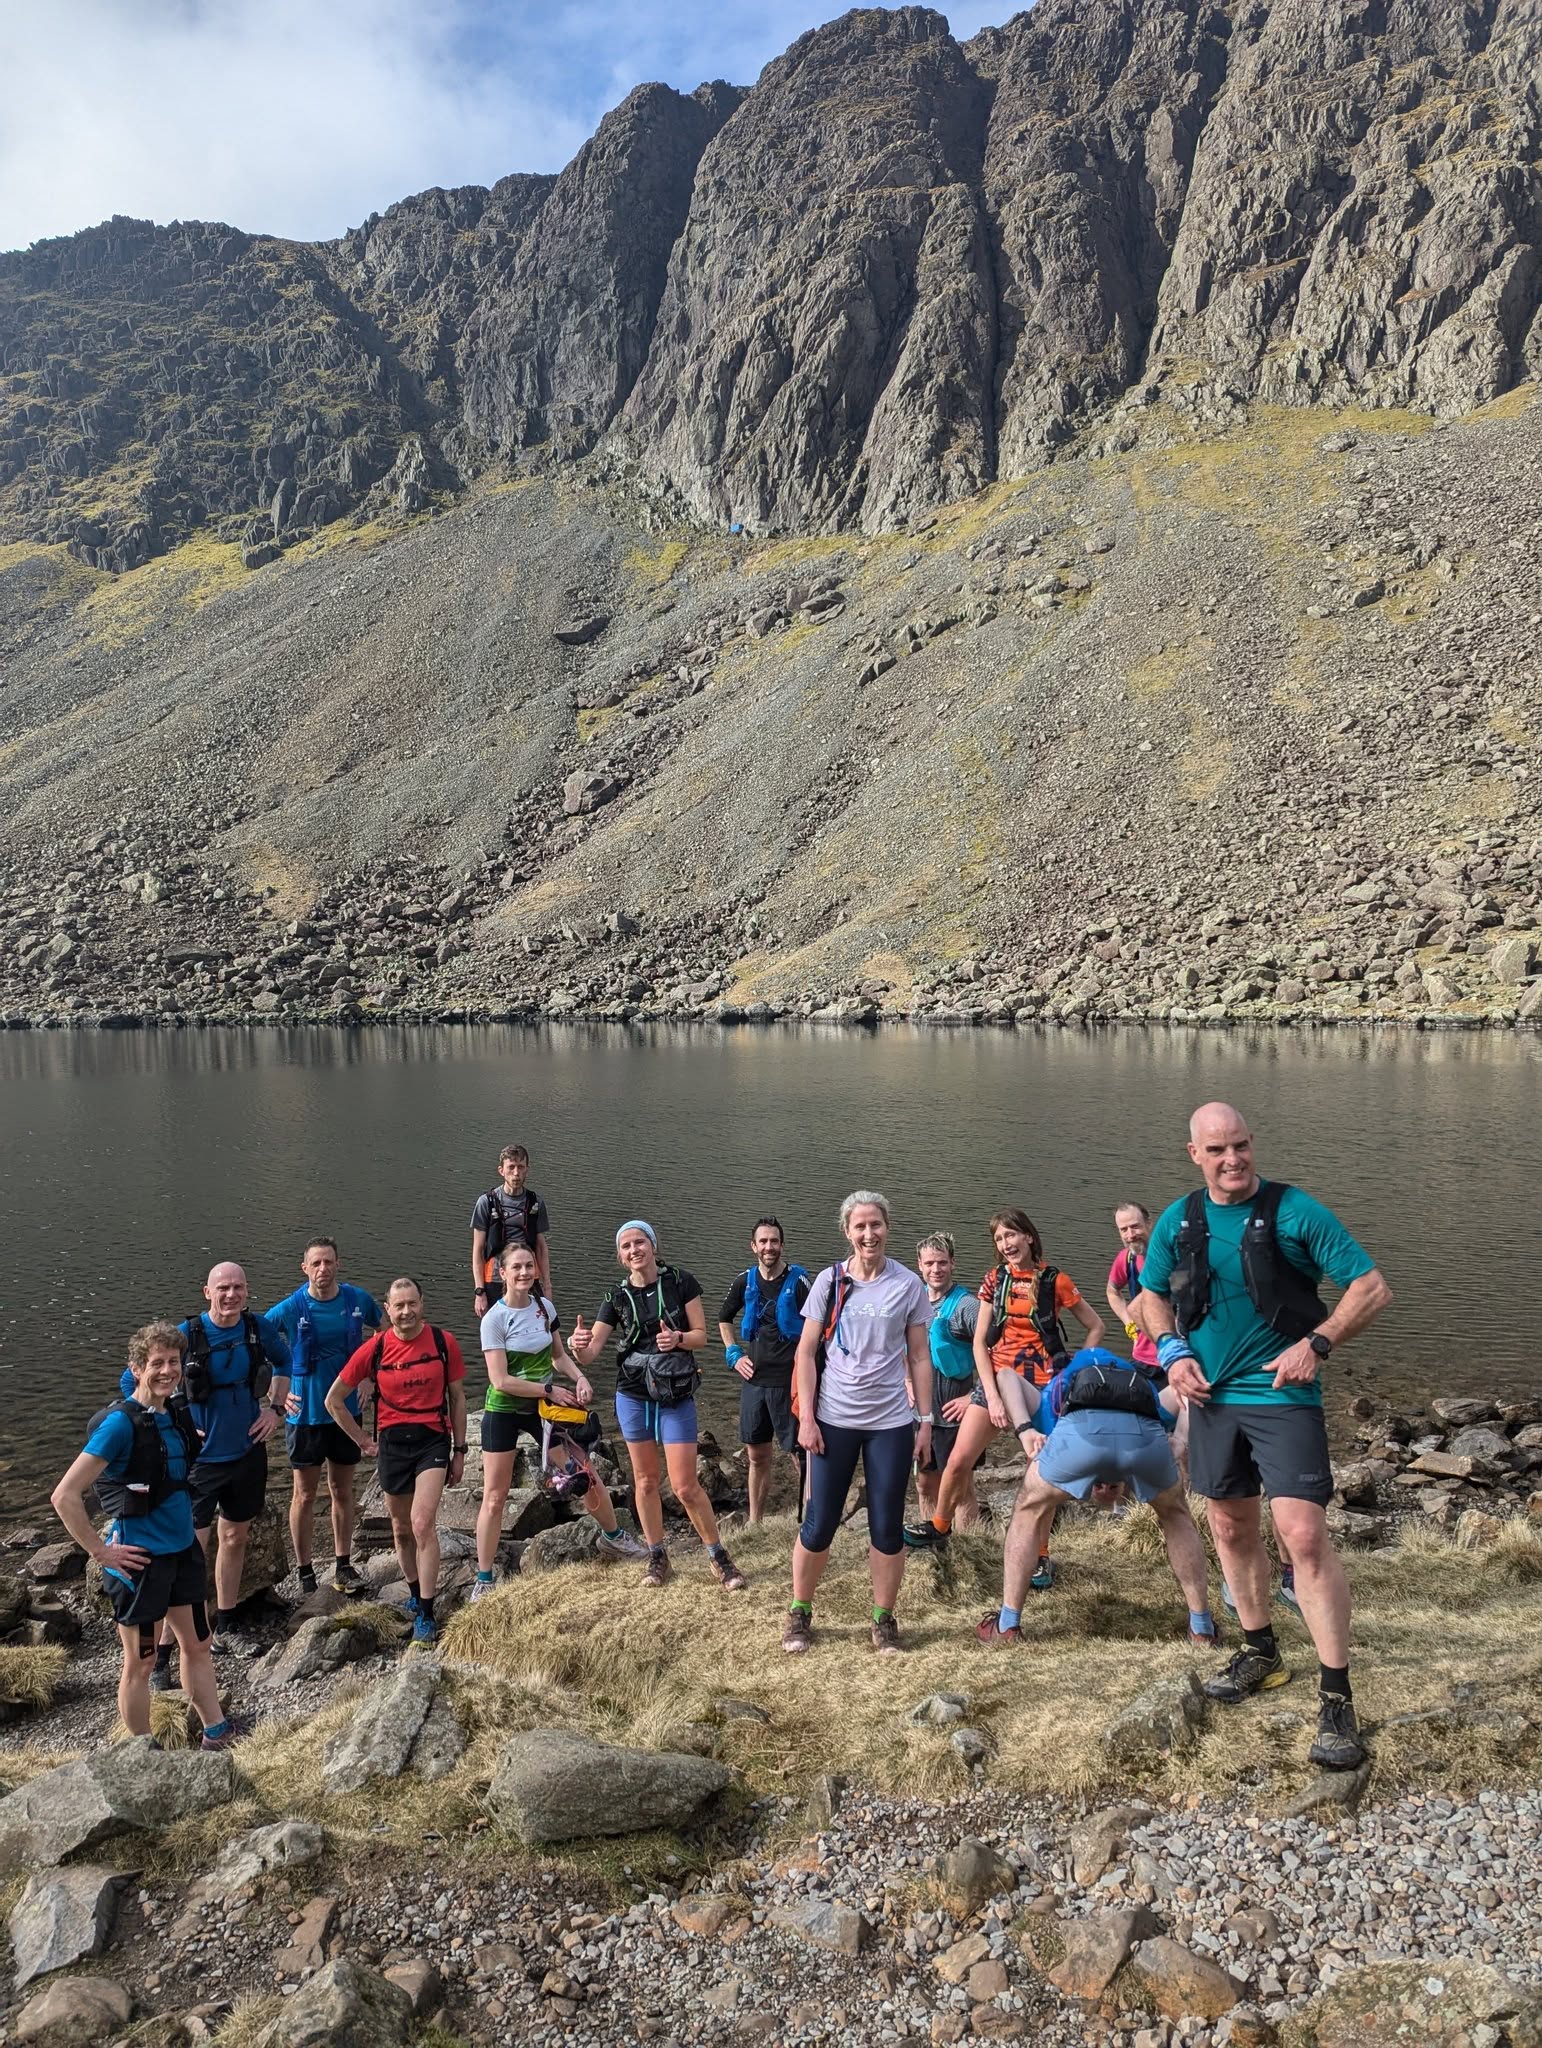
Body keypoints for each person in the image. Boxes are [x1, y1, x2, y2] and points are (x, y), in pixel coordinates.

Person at [1139, 1102, 1393, 1771]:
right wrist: (1172, 1351)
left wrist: (1318, 1343)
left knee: (1303, 1536)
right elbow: (1151, 1295)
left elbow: (1370, 1288)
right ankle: (1260, 1652)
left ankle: (1336, 1696)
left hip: (1283, 1396)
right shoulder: (1179, 1219)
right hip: (1211, 1399)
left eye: (1241, 1145)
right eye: (1217, 1150)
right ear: (1194, 1154)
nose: (1233, 1160)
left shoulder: (1294, 1211)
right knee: (1229, 1528)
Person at [52, 1324, 235, 1748]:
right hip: (140, 1564)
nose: (167, 1371)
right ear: (136, 1369)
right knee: (142, 1661)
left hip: (182, 1552)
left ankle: (216, 1731)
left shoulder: (174, 1414)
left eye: (173, 1362)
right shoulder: (119, 1425)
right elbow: (64, 1495)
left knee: (198, 1645)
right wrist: (100, 1552)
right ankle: (143, 1752)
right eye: (156, 1363)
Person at [904, 1209, 1103, 1584]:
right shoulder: (994, 1280)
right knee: (958, 1461)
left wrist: (1074, 1371)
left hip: (1042, 1388)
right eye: (999, 1238)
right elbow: (979, 1343)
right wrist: (990, 1397)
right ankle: (940, 1525)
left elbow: (1095, 1326)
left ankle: (1040, 1555)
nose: (1006, 1244)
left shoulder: (1055, 1280)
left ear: (1028, 1236)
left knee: (1038, 1475)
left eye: (1011, 1235)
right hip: (995, 1381)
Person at [976, 1346, 1217, 1647]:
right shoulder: (1140, 1390)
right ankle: (1202, 1628)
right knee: (1176, 1514)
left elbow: (1005, 1375)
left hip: (1080, 1436)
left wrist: (1025, 1429)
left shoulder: (1051, 1394)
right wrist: (1180, 1439)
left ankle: (1007, 1626)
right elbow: (1188, 1388)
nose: (1104, 1488)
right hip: (1142, 1439)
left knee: (1028, 1508)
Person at [783, 1191, 933, 1656]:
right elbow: (806, 1353)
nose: (870, 1234)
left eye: (876, 1224)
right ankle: (800, 1611)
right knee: (819, 1523)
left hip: (890, 1422)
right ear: (847, 1232)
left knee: (886, 1526)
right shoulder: (829, 1281)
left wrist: (925, 1421)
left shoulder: (908, 1284)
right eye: (860, 1226)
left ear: (888, 1227)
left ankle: (884, 1619)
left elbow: (920, 1356)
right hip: (834, 1420)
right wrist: (807, 1419)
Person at [125, 1263, 291, 1670]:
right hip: (198, 1463)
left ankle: (226, 1625)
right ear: (207, 1292)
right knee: (186, 1552)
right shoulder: (186, 1335)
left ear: (246, 1291)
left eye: (238, 1288)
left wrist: (274, 1410)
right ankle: (166, 1651)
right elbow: (132, 1384)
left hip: (247, 1453)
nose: (231, 1295)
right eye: (223, 1288)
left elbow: (286, 1362)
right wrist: (166, 1424)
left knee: (235, 1537)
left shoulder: (258, 1329)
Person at [568, 1220, 747, 1592]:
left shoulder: (682, 1282)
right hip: (632, 1395)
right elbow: (590, 1353)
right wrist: (577, 1345)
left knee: (685, 1485)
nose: (634, 1250)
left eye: (640, 1242)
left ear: (653, 1246)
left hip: (674, 1394)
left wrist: (678, 1338)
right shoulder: (615, 1296)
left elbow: (701, 1337)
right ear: (621, 1256)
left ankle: (718, 1556)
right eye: (626, 1246)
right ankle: (657, 1555)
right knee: (646, 1480)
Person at [475, 1241, 647, 1595]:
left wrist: (579, 1377)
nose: (524, 1272)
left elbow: (557, 1356)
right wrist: (549, 1390)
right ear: (502, 1273)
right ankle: (485, 1579)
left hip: (543, 1412)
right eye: (516, 1267)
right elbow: (500, 1380)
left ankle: (614, 1538)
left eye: (529, 1265)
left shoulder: (544, 1307)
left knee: (584, 1471)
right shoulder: (494, 1319)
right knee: (495, 1495)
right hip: (504, 1411)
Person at [327, 1277, 467, 1645]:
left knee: (422, 1524)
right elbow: (333, 1400)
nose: (406, 1312)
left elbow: (457, 1398)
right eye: (398, 1306)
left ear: (422, 1304)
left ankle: (427, 1612)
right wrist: (362, 1440)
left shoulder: (443, 1343)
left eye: (412, 1304)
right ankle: (416, 1593)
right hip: (392, 1445)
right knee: (401, 1529)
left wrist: (460, 1451)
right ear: (387, 1310)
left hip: (432, 1441)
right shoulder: (375, 1349)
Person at [267, 1238, 380, 1596]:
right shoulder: (290, 1308)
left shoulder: (356, 1300)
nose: (323, 1269)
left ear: (338, 1264)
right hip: (305, 1415)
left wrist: (369, 1376)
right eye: (316, 1263)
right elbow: (258, 1342)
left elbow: (384, 1330)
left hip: (346, 1413)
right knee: (304, 1494)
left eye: (328, 1262)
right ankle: (304, 1572)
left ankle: (343, 1563)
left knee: (342, 1490)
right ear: (305, 1268)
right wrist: (275, 1389)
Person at [717, 1216, 809, 1522]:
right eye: (763, 1241)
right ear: (753, 1246)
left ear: (782, 1245)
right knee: (757, 1455)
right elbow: (724, 1317)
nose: (769, 1247)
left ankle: (810, 1519)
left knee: (799, 1454)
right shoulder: (745, 1281)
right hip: (754, 1382)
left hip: (790, 1382)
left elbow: (818, 1325)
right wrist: (733, 1353)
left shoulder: (799, 1282)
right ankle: (755, 1522)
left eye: (774, 1241)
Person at [912, 1232, 981, 1528]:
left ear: (953, 1263)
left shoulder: (967, 1306)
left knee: (960, 1489)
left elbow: (998, 1353)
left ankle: (969, 1544)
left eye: (942, 1262)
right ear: (920, 1265)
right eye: (929, 1263)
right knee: (925, 1484)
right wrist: (905, 1382)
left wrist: (973, 1397)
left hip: (955, 1417)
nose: (936, 1269)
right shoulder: (913, 1300)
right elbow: (899, 1347)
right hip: (921, 1416)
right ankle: (929, 1539)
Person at [471, 1144, 551, 1318]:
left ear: (527, 1169)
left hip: (528, 1276)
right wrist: (479, 1291)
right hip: (495, 1278)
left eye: (520, 1167)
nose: (516, 1173)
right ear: (501, 1170)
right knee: (497, 1326)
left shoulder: (536, 1203)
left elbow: (541, 1248)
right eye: (511, 1167)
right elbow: (478, 1250)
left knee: (536, 1324)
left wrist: (547, 1285)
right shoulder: (486, 1202)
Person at [1106, 1203, 1160, 1373]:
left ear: (1149, 1224)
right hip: (1142, 1357)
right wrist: (1130, 1324)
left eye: (1135, 1227)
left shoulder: (1171, 1255)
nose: (1130, 1235)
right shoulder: (1127, 1258)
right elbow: (1112, 1292)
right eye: (1124, 1230)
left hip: (1180, 1357)